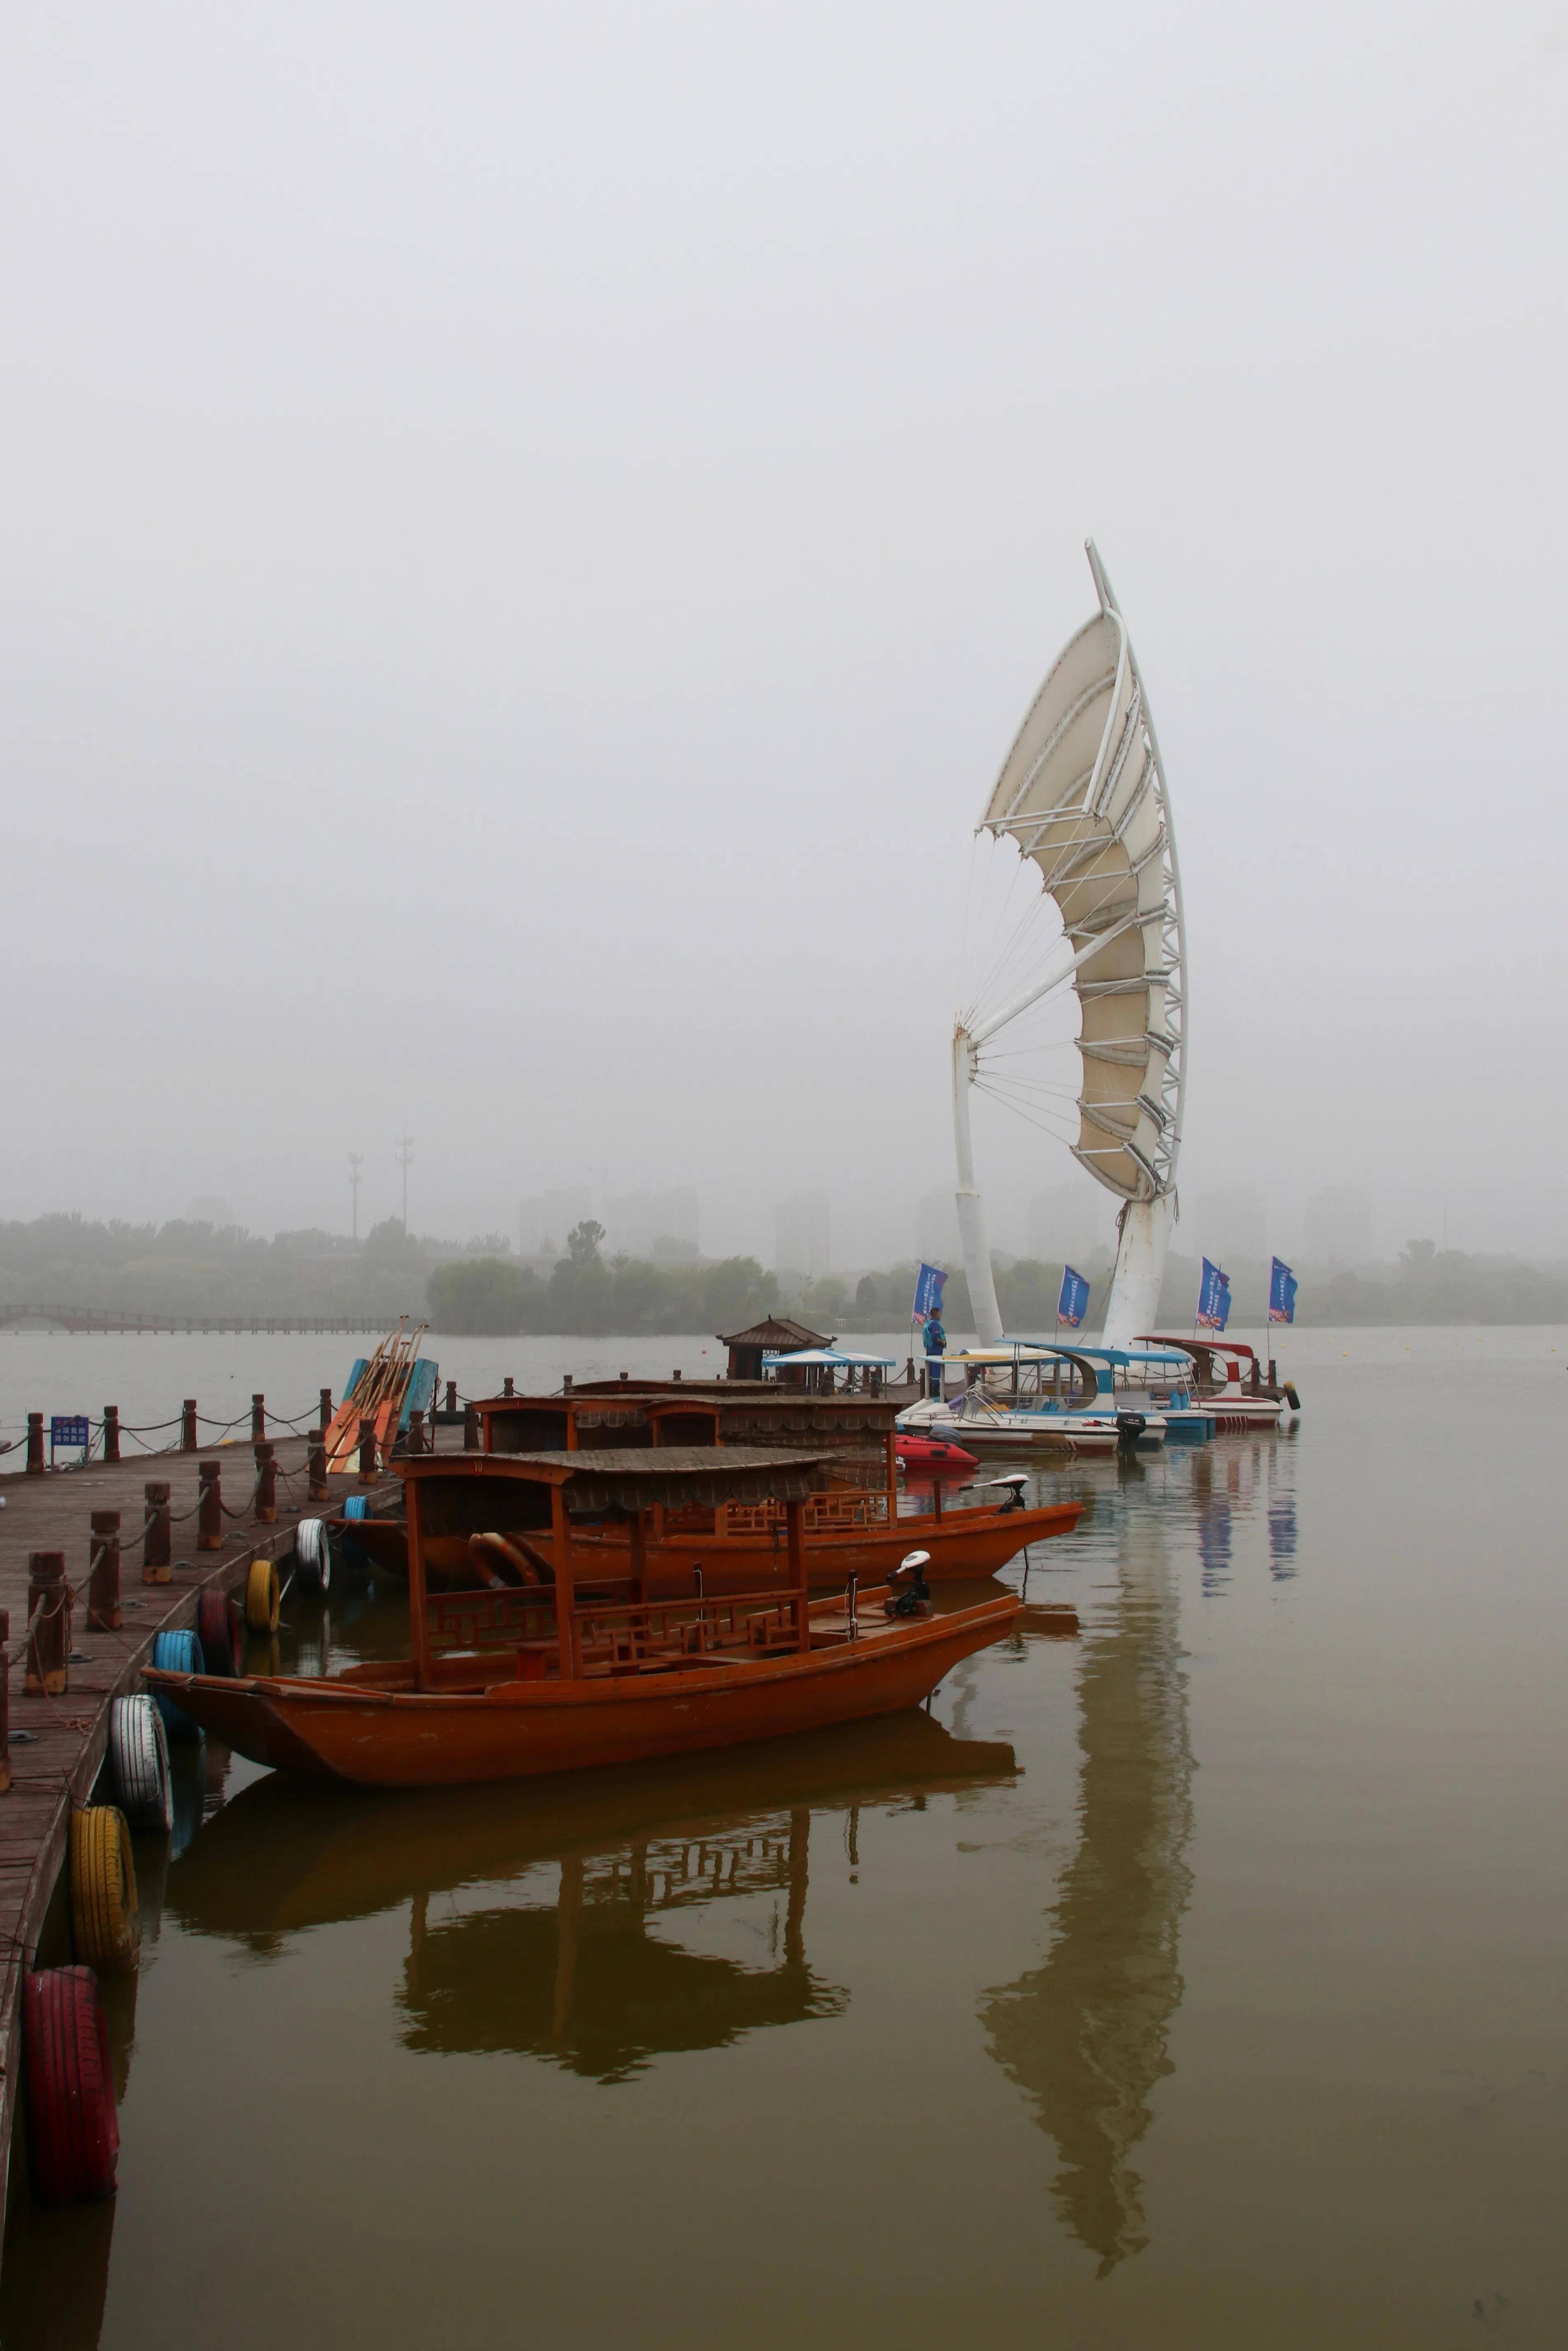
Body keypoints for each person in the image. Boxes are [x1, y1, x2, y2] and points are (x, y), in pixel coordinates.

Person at [922, 1311, 946, 1400]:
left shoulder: (928, 1324)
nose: (940, 1315)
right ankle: (936, 1391)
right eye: (940, 1313)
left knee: (931, 1370)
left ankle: (930, 1390)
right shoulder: (935, 1325)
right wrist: (943, 1343)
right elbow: (935, 1337)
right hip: (936, 1351)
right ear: (936, 1315)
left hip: (929, 1350)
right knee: (936, 1369)